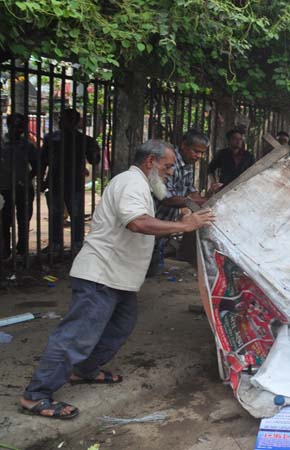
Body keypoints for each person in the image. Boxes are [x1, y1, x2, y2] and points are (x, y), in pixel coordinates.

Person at [19, 140, 215, 420]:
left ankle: (84, 370)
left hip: (118, 277)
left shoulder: (140, 186)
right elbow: (138, 222)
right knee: (77, 335)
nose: (172, 173)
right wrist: (185, 225)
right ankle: (35, 395)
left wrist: (183, 213)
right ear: (150, 161)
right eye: (168, 166)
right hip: (101, 275)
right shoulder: (130, 183)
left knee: (120, 325)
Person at [149, 130, 215, 276]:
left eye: (202, 153)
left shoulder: (188, 165)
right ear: (184, 145)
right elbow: (167, 198)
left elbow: (190, 193)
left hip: (163, 227)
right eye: (196, 151)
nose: (198, 156)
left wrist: (207, 197)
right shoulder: (170, 163)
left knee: (151, 271)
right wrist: (203, 200)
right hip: (152, 221)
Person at [40, 108, 101, 255]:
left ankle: (74, 245)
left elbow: (94, 160)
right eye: (61, 118)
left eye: (65, 118)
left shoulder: (83, 140)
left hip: (72, 183)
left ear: (73, 122)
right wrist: (41, 180)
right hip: (59, 182)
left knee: (74, 215)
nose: (61, 121)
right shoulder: (52, 138)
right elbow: (43, 161)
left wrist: (94, 149)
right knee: (59, 215)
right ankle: (60, 244)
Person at [1, 113, 38, 258]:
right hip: (4, 190)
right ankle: (5, 250)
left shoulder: (27, 146)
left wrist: (26, 179)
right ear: (9, 125)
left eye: (21, 126)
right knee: (4, 221)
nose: (19, 129)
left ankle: (22, 250)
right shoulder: (2, 144)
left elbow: (36, 166)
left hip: (24, 189)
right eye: (16, 125)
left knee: (24, 220)